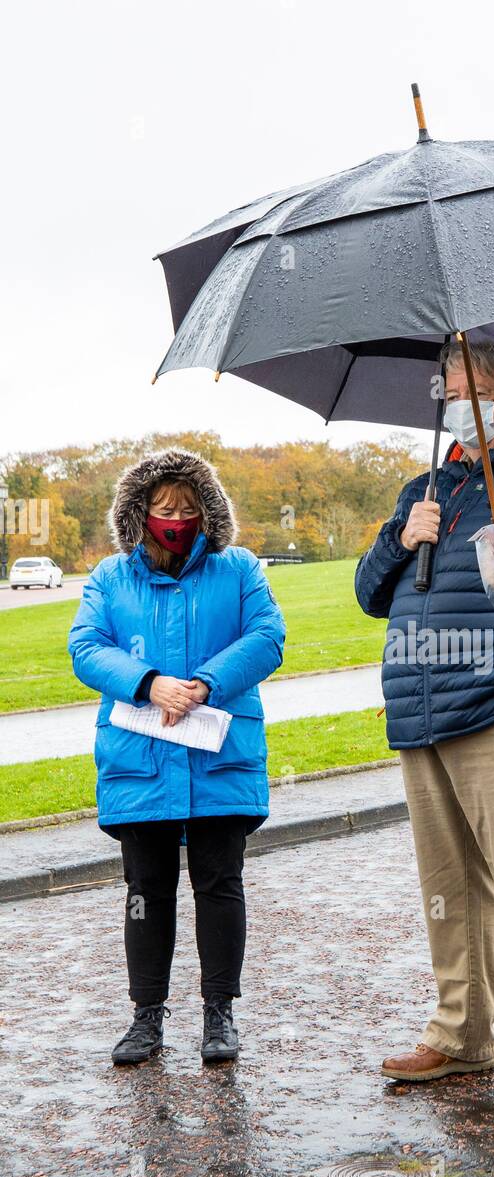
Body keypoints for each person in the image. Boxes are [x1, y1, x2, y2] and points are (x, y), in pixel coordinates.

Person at [355, 340, 494, 1108]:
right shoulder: (427, 484)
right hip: (419, 707)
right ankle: (460, 1033)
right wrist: (399, 536)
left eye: (474, 389)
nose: (459, 403)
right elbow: (368, 593)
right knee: (448, 888)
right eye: (448, 390)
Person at [68, 448, 285, 1065]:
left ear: (208, 512)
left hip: (218, 755)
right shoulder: (112, 577)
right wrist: (148, 681)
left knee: (220, 884)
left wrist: (207, 683)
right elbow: (86, 647)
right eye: (164, 509)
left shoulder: (237, 568)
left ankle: (220, 1013)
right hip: (141, 760)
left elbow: (267, 635)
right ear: (139, 514)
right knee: (147, 887)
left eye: (189, 508)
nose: (177, 518)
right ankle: (146, 1017)